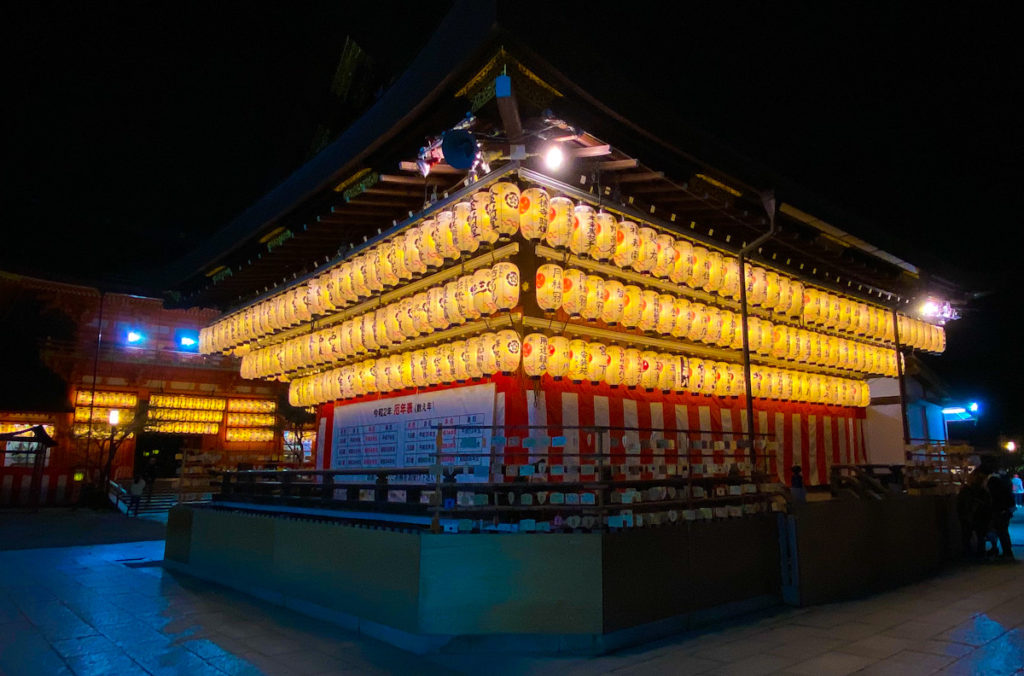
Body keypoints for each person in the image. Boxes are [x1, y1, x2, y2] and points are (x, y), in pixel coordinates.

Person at [987, 467, 1016, 561]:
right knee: (1003, 532)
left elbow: (997, 502)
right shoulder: (1004, 489)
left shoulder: (997, 493)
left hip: (1001, 512)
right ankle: (1007, 552)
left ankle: (1006, 552)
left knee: (1002, 532)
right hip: (1005, 511)